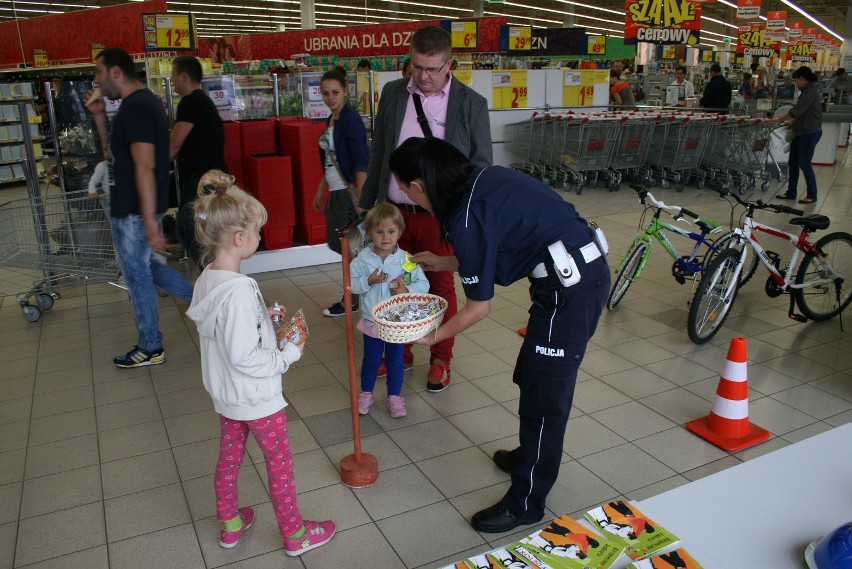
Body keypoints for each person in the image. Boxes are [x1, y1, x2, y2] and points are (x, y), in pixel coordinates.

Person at [388, 137, 609, 533]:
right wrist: (445, 260)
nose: (404, 194)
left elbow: (478, 308)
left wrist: (429, 336)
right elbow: (488, 242)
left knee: (545, 398)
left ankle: (526, 502)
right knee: (530, 371)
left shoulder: (463, 215)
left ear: (419, 186)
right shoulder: (479, 178)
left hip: (571, 289)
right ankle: (529, 455)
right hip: (563, 277)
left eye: (403, 187)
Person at [186, 170, 336, 557]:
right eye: (257, 233)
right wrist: (287, 353)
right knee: (280, 464)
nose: (259, 238)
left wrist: (264, 320)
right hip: (257, 398)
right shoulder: (237, 290)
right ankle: (295, 534)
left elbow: (228, 334)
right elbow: (244, 355)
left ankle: (230, 524)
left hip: (228, 397)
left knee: (230, 457)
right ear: (239, 239)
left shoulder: (209, 278)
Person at [359, 25, 492, 392]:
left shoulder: (471, 103)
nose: (424, 76)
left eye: (433, 68)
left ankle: (440, 358)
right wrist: (367, 205)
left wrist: (467, 218)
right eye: (417, 66)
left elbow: (481, 165)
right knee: (394, 286)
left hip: (439, 216)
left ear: (450, 63)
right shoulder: (392, 94)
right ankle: (399, 353)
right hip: (393, 215)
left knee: (440, 286)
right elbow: (379, 153)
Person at [87, 48, 194, 368]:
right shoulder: (136, 106)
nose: (96, 79)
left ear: (115, 72)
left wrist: (148, 219)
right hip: (132, 208)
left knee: (138, 277)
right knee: (147, 269)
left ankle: (150, 345)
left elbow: (145, 166)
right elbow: (115, 158)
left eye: (99, 72)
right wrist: (99, 117)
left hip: (134, 210)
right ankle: (203, 301)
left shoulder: (137, 108)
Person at [350, 203, 429, 418]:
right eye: (379, 231)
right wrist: (368, 281)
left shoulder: (407, 260)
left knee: (396, 360)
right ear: (369, 233)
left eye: (391, 231)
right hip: (372, 321)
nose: (385, 237)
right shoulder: (362, 260)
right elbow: (351, 285)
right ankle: (366, 393)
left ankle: (394, 397)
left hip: (397, 321)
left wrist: (406, 289)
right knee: (372, 360)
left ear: (399, 232)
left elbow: (424, 285)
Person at [313, 67, 370, 317]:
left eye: (335, 92)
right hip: (335, 192)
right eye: (325, 93)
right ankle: (361, 291)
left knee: (349, 248)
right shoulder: (332, 120)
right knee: (343, 246)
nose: (330, 97)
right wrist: (320, 188)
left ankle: (353, 298)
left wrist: (362, 199)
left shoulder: (350, 119)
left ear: (345, 91)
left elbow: (360, 160)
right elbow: (330, 159)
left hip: (347, 195)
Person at [169, 55, 227, 266]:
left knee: (189, 229)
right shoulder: (203, 100)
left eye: (174, 74)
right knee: (200, 230)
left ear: (184, 76)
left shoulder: (190, 102)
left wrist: (151, 167)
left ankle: (213, 275)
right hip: (211, 181)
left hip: (201, 184)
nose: (172, 79)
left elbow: (174, 144)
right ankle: (214, 275)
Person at [770, 65, 822, 205]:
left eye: (797, 81)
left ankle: (812, 195)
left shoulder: (810, 92)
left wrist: (776, 120)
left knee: (805, 163)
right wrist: (793, 124)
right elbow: (803, 113)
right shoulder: (805, 91)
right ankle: (791, 192)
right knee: (793, 163)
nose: (796, 84)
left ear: (802, 79)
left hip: (809, 133)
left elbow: (796, 111)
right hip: (800, 132)